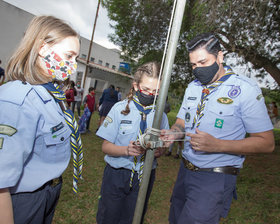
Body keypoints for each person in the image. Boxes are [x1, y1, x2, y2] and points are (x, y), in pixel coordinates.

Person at [161, 33, 275, 224]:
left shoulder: (245, 89)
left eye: (203, 62)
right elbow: (181, 123)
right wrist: (173, 134)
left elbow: (267, 143)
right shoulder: (192, 87)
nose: (197, 70)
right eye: (193, 65)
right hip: (185, 171)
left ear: (220, 57)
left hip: (214, 178)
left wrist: (217, 145)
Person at [0, 15, 83, 224]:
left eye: (76, 58)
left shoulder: (51, 95)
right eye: (69, 56)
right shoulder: (18, 101)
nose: (73, 65)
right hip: (21, 201)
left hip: (47, 193)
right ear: (43, 49)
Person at [96, 62, 169, 224]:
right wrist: (126, 150)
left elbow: (163, 147)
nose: (150, 94)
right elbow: (105, 147)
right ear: (136, 86)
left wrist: (159, 150)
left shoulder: (160, 116)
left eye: (156, 91)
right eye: (146, 89)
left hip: (144, 177)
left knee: (134, 218)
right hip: (117, 174)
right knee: (109, 217)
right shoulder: (119, 109)